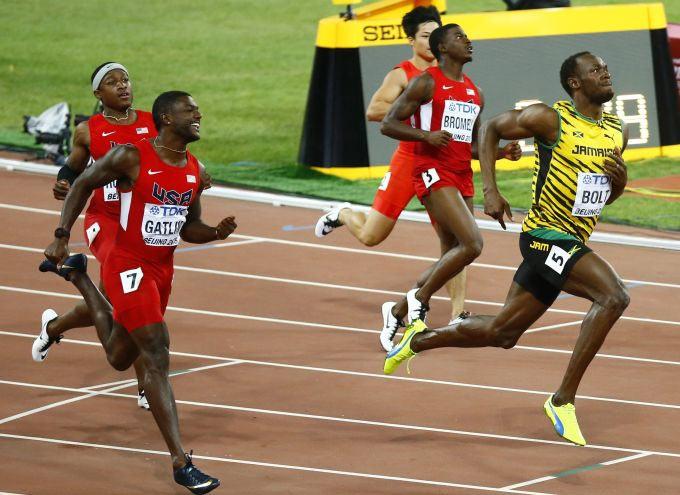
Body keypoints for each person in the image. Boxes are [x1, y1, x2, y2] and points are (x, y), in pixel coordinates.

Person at [384, 52, 630, 448]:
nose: (606, 72)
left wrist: (618, 184)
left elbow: (598, 201)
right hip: (543, 236)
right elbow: (492, 130)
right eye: (596, 70)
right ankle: (562, 400)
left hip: (573, 238)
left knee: (503, 332)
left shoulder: (617, 131)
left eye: (606, 67)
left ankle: (417, 340)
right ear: (575, 84)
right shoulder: (550, 119)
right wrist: (491, 190)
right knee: (614, 296)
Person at [41, 91, 235, 493]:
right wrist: (61, 236)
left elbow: (187, 228)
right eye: (190, 110)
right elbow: (82, 185)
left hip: (162, 270)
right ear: (166, 117)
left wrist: (215, 232)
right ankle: (182, 463)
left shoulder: (193, 169)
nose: (199, 114)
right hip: (129, 263)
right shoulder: (131, 156)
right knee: (157, 353)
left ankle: (79, 278)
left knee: (118, 356)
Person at [315, 7, 473, 351]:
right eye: (423, 36)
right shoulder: (404, 74)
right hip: (410, 159)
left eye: (437, 35)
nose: (431, 42)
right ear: (411, 40)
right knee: (373, 235)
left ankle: (459, 313)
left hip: (443, 164)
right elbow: (376, 111)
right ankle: (343, 213)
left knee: (457, 242)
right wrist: (418, 110)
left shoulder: (452, 73)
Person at [378, 24, 521, 341]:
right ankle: (420, 300)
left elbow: (471, 146)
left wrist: (500, 152)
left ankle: (398, 311)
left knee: (454, 254)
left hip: (461, 175)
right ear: (442, 48)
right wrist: (424, 135)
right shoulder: (426, 83)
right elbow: (388, 124)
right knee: (473, 243)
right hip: (432, 170)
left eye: (469, 37)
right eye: (460, 38)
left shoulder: (475, 93)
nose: (469, 41)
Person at [32, 62, 157, 411]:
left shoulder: (153, 123)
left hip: (144, 224)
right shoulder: (89, 131)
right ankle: (146, 382)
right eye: (112, 82)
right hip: (106, 221)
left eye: (126, 80)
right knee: (130, 302)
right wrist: (64, 182)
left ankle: (54, 326)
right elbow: (73, 167)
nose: (122, 86)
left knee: (112, 304)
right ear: (97, 94)